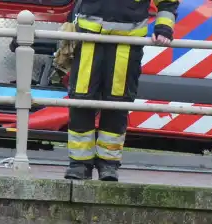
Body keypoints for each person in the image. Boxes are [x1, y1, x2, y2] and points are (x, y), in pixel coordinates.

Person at [64, 0, 178, 181]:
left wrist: (163, 27)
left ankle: (108, 164)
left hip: (126, 43)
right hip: (88, 39)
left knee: (117, 104)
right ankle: (79, 164)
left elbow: (168, 3)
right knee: (81, 101)